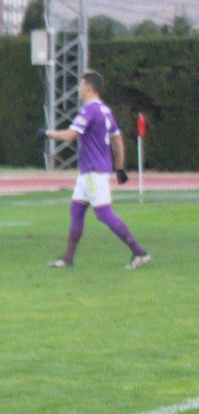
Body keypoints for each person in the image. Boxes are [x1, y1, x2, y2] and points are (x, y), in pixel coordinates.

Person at [46, 71, 150, 269]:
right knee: (76, 210)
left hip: (93, 171)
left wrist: (48, 134)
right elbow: (117, 139)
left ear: (89, 87)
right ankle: (67, 259)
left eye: (81, 85)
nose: (78, 89)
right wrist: (119, 167)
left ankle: (139, 252)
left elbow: (70, 135)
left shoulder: (89, 110)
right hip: (90, 171)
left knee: (104, 214)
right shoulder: (105, 111)